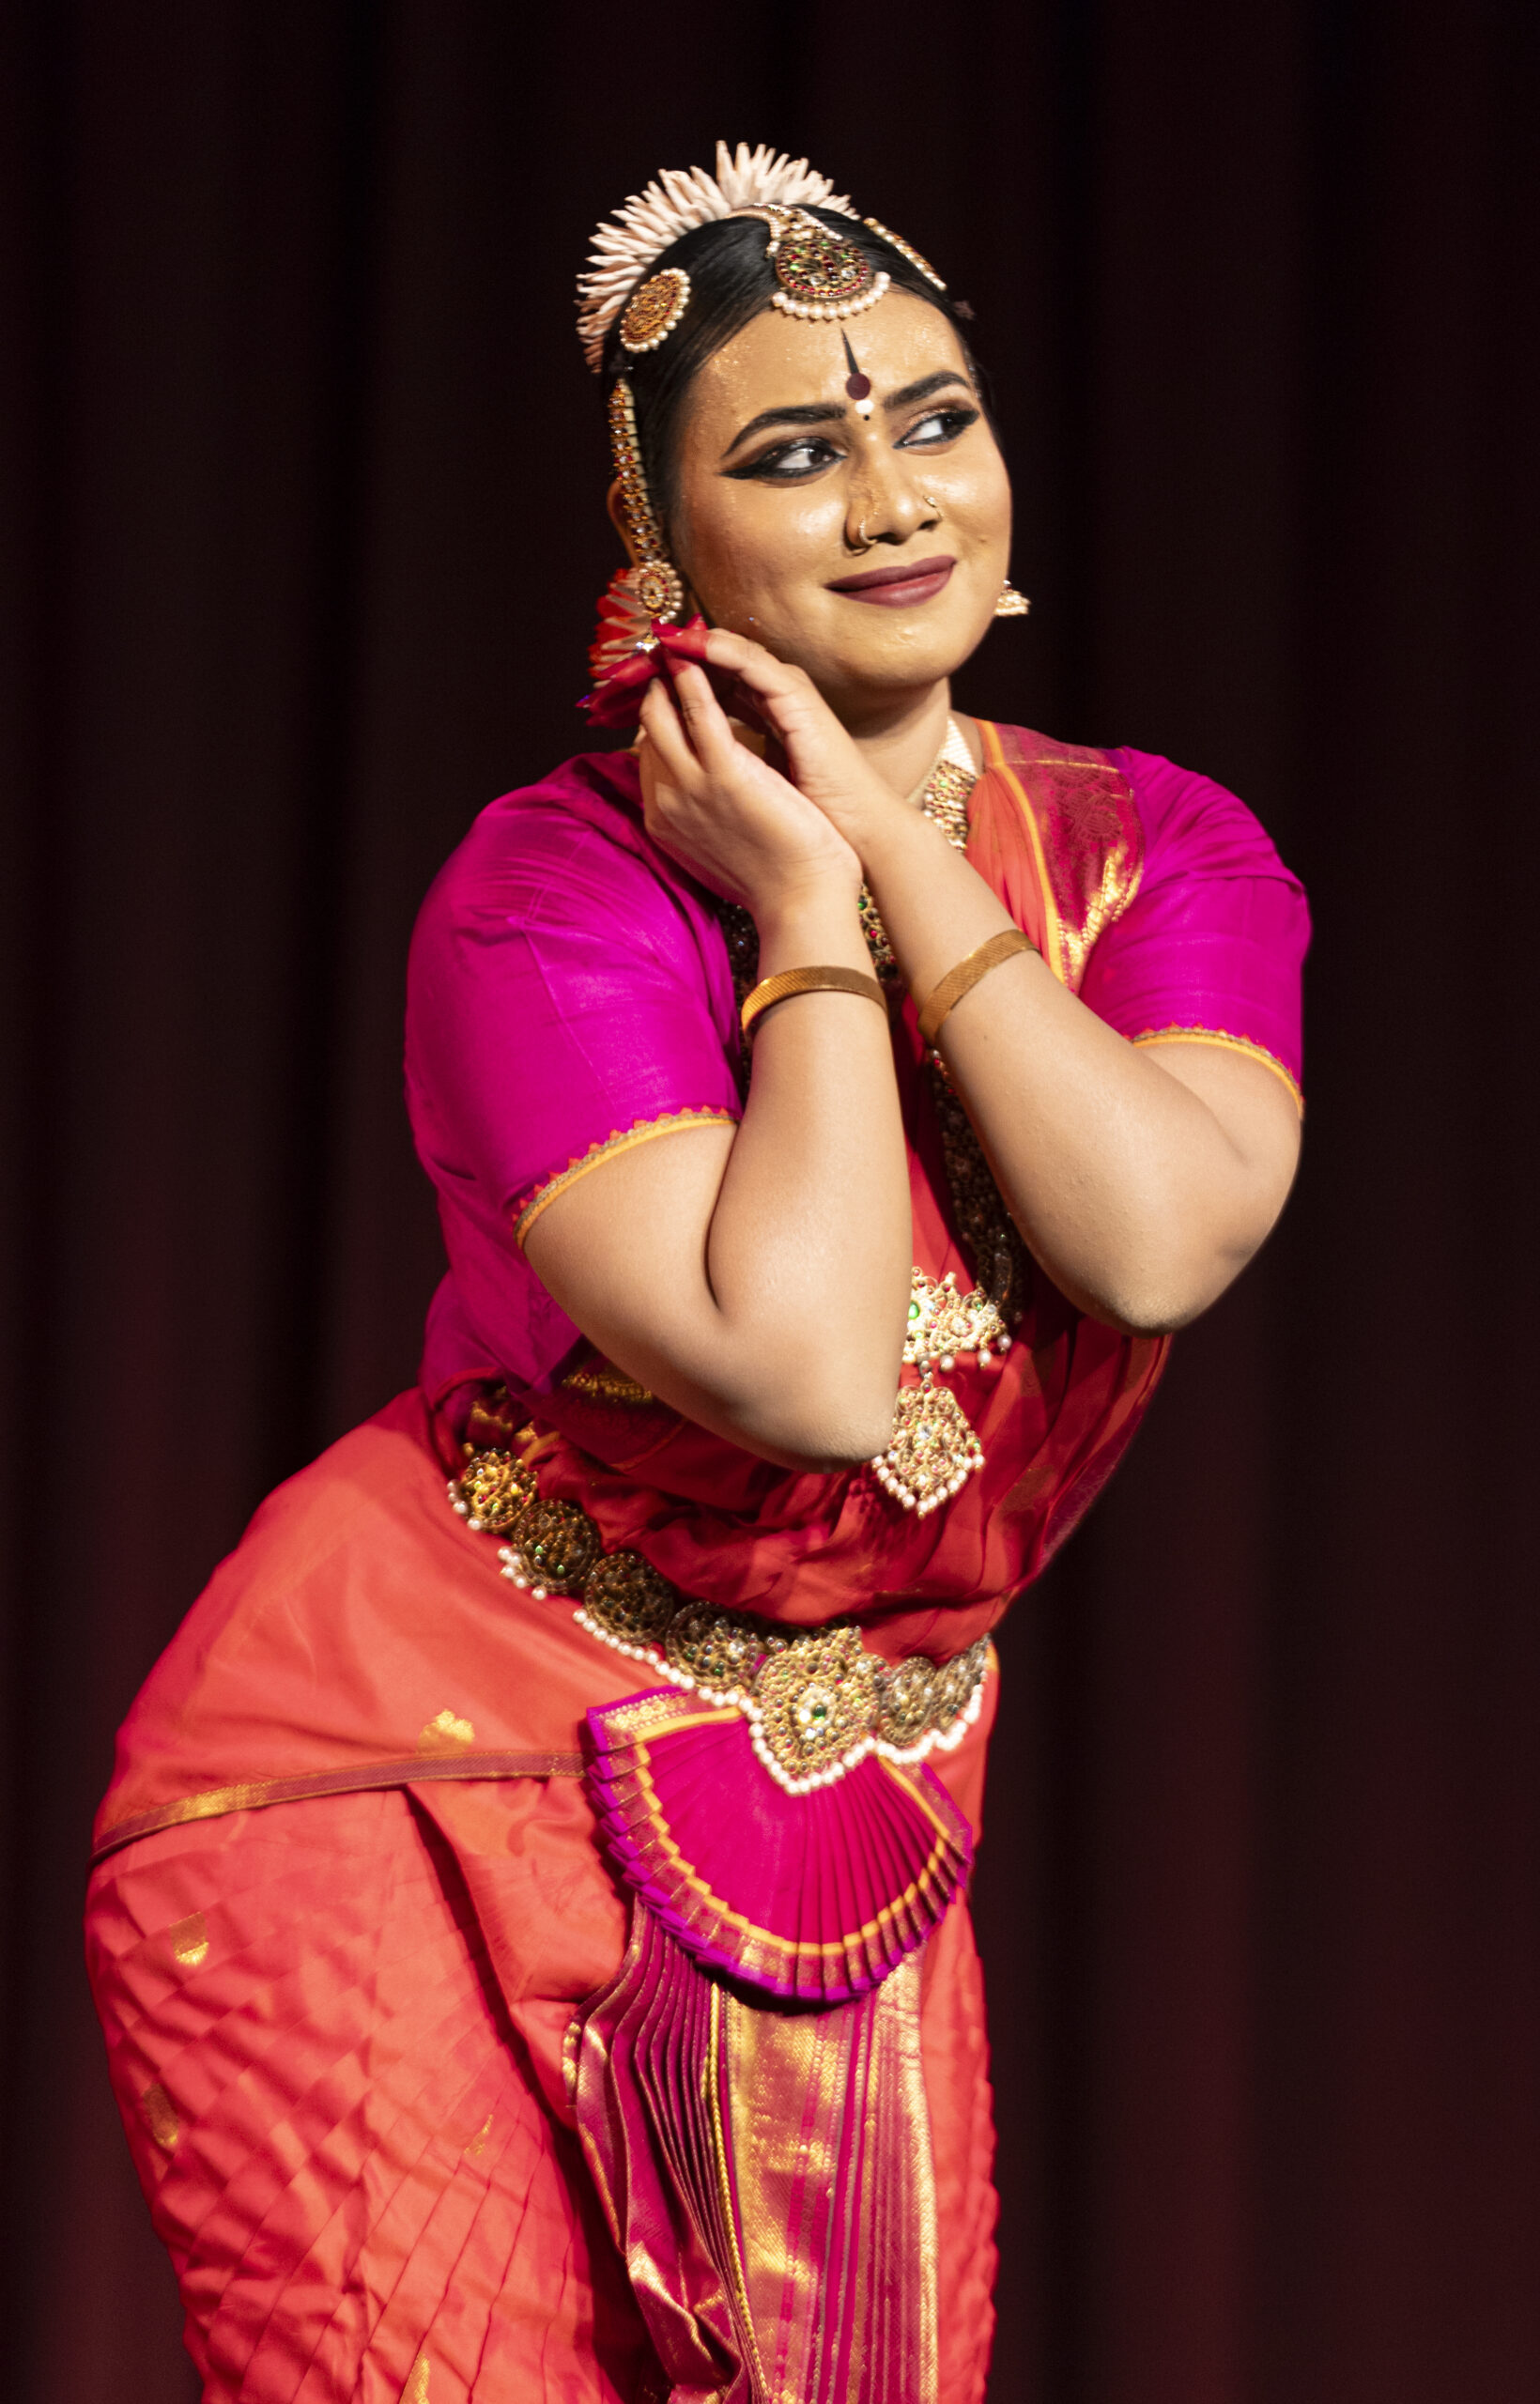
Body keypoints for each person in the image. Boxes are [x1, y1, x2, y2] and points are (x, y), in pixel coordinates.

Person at [85, 143, 1307, 2404]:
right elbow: (806, 1367)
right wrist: (807, 917)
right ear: (658, 545)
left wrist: (885, 860)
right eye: (791, 452)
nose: (890, 497)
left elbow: (1153, 1232)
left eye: (932, 421)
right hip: (395, 1764)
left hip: (841, 1783)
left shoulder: (1159, 851)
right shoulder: (547, 898)